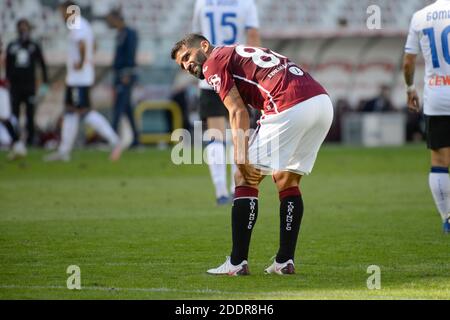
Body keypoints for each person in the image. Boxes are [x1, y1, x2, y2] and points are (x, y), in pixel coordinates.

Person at [171, 34, 333, 275]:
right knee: (286, 179)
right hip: (321, 103)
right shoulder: (236, 51)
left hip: (288, 105)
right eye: (181, 65)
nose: (187, 66)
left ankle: (237, 263)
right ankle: (284, 261)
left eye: (187, 57)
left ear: (204, 46)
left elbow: (238, 111)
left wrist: (240, 154)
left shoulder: (213, 61)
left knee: (244, 177)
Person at [192, 0, 261, 205]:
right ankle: (235, 189)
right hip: (237, 75)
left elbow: (194, 41)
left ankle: (221, 192)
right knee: (238, 134)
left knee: (216, 136)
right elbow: (253, 37)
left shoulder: (202, 2)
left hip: (210, 75)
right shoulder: (246, 3)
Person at [45, 1, 122, 162]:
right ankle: (64, 151)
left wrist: (81, 62)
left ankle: (115, 140)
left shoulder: (76, 24)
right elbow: (94, 45)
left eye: (62, 12)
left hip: (78, 78)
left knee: (83, 111)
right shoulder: (84, 24)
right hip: (79, 77)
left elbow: (82, 44)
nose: (61, 15)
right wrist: (88, 59)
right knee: (70, 111)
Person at [403, 0, 450, 234]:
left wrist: (410, 89)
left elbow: (408, 61)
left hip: (437, 98)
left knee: (439, 160)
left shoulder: (421, 16)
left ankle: (447, 217)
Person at [6, 18, 49, 146]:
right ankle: (14, 139)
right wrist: (8, 81)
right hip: (15, 86)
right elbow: (8, 65)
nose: (23, 30)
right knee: (14, 114)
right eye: (21, 27)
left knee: (30, 114)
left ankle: (31, 140)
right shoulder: (12, 45)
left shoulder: (34, 46)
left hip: (29, 86)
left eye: (25, 27)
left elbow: (42, 64)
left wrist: (45, 82)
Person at [105, 9, 140, 148]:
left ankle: (112, 139)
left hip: (125, 75)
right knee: (126, 109)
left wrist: (127, 73)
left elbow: (130, 54)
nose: (109, 23)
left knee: (118, 107)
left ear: (116, 19)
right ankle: (136, 140)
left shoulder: (129, 34)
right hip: (120, 74)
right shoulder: (120, 34)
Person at [0, 36, 26, 160]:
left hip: (1, 88)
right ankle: (17, 145)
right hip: (3, 88)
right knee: (5, 118)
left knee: (5, 118)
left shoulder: (3, 56)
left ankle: (18, 145)